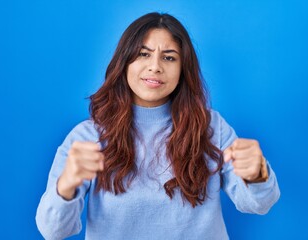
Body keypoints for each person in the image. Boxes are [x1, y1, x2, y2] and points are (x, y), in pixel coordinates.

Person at [36, 12, 280, 240]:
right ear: (124, 62)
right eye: (143, 54)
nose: (155, 66)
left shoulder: (211, 127)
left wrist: (257, 174)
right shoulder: (88, 136)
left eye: (169, 57)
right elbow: (53, 230)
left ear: (183, 69)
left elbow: (259, 204)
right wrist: (66, 183)